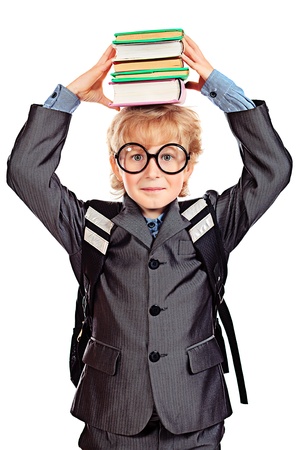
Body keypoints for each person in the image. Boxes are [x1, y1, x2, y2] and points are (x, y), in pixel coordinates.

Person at [6, 34, 292, 449]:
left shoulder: (211, 221)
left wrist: (218, 87)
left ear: (188, 164)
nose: (152, 172)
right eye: (136, 156)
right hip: (112, 413)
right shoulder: (91, 224)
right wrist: (70, 96)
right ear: (116, 164)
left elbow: (273, 170)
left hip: (194, 413)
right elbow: (25, 171)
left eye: (168, 155)